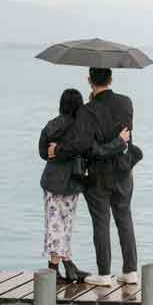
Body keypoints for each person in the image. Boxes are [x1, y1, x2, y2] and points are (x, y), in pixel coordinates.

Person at [48, 66, 138, 289]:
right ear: (111, 78)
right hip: (124, 172)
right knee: (124, 219)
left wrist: (58, 150)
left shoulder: (87, 111)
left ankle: (105, 274)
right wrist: (118, 143)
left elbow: (84, 146)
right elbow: (125, 139)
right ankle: (130, 271)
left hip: (98, 176)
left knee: (101, 223)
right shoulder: (126, 102)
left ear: (89, 80)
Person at [38, 89, 91, 284]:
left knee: (54, 223)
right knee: (66, 223)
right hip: (73, 180)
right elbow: (84, 148)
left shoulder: (53, 125)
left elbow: (43, 152)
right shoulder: (81, 127)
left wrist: (55, 153)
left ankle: (58, 266)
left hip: (52, 179)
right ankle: (63, 265)